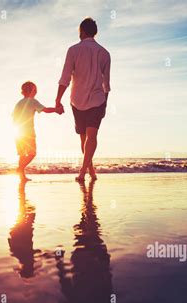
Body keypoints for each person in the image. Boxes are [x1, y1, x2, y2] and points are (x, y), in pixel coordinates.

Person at [55, 17, 111, 181]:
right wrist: (105, 103)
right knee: (90, 137)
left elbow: (65, 77)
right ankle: (90, 171)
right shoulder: (105, 53)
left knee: (84, 138)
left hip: (77, 100)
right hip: (97, 100)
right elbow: (106, 83)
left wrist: (58, 100)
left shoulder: (73, 50)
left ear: (82, 31)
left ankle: (82, 173)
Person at [12, 81, 63, 181]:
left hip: (17, 133)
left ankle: (22, 177)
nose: (36, 92)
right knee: (32, 153)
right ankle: (20, 169)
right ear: (31, 91)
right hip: (28, 133)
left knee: (22, 155)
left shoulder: (18, 103)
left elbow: (14, 118)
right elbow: (45, 109)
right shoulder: (32, 101)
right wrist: (56, 110)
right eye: (35, 90)